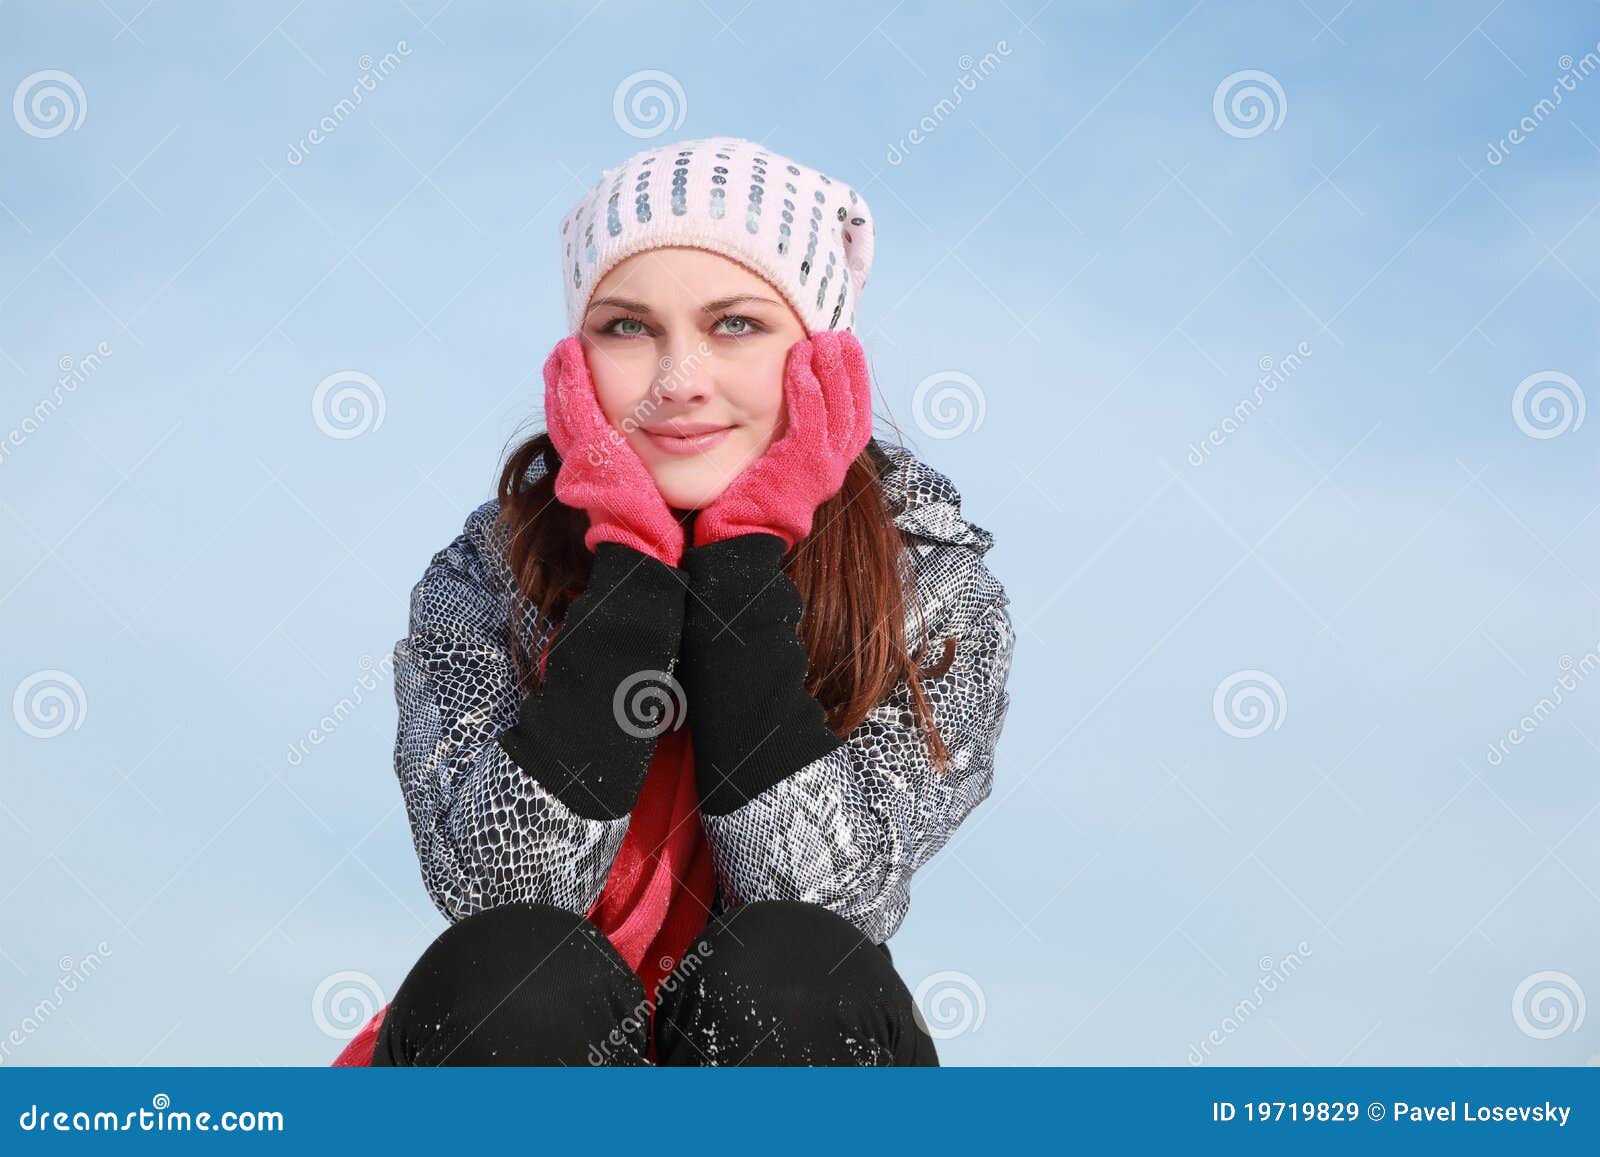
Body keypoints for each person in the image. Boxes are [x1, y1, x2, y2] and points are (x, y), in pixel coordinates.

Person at [331, 135, 1016, 1066]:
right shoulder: (484, 581)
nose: (676, 378)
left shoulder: (931, 590)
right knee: (519, 977)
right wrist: (632, 570)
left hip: (786, 1044)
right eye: (626, 327)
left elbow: (822, 900)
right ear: (575, 360)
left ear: (823, 356)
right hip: (528, 1049)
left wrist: (740, 561)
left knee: (792, 971)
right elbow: (496, 892)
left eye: (734, 324)